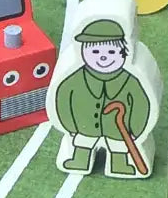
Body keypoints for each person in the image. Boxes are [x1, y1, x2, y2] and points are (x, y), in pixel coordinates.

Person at [52, 19, 152, 177]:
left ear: (124, 51)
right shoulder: (74, 80)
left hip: (118, 132)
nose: (103, 57)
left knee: (118, 145)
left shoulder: (130, 82)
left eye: (111, 52)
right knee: (83, 142)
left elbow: (142, 106)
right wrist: (70, 127)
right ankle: (79, 160)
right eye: (95, 52)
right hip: (85, 127)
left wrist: (136, 130)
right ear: (83, 51)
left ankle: (120, 165)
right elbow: (63, 102)